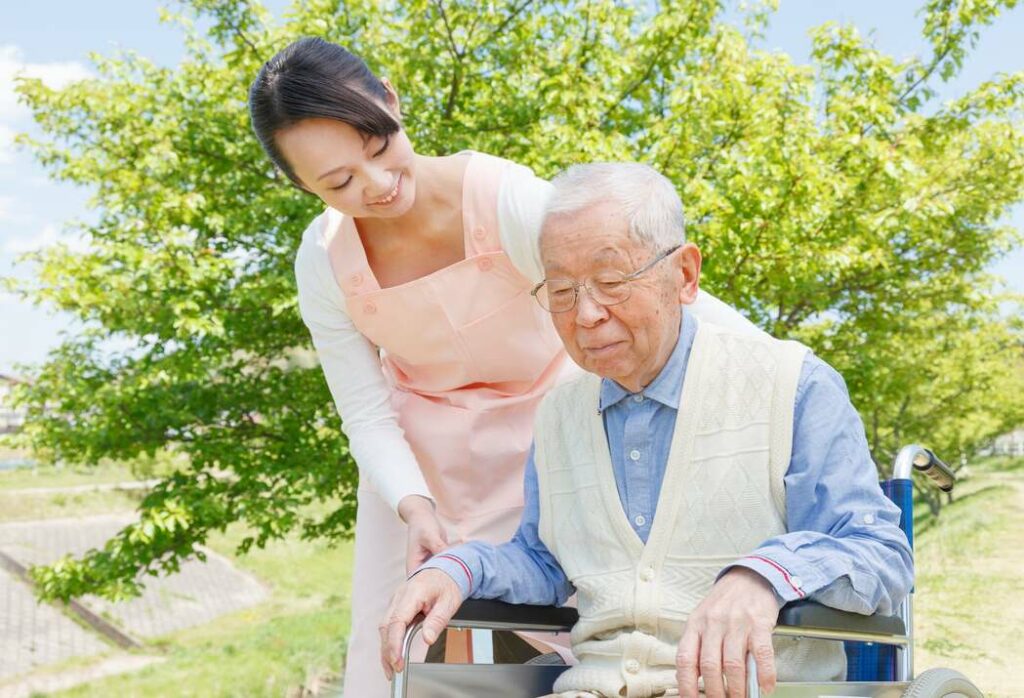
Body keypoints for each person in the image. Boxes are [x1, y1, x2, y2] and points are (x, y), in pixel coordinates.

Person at [248, 39, 760, 697]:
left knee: (601, 623)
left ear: (392, 101)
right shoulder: (323, 260)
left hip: (549, 437)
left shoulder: (503, 199)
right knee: (389, 644)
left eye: (378, 146)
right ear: (301, 186)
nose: (376, 186)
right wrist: (413, 504)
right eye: (339, 182)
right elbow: (364, 409)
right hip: (417, 463)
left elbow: (645, 286)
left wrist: (779, 375)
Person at [381, 163, 915, 698]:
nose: (585, 314)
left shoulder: (794, 385)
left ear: (684, 276)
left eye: (611, 283)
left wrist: (765, 575)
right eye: (561, 291)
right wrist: (457, 569)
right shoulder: (559, 413)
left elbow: (879, 551)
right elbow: (543, 561)